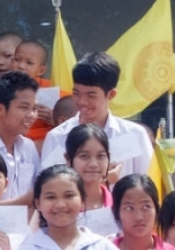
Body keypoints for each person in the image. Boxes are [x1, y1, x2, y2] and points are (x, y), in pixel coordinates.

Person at [38, 51, 154, 180]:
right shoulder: (57, 137)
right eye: (76, 93)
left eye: (91, 95)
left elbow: (148, 186)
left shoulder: (135, 135)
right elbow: (48, 186)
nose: (82, 101)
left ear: (111, 95)